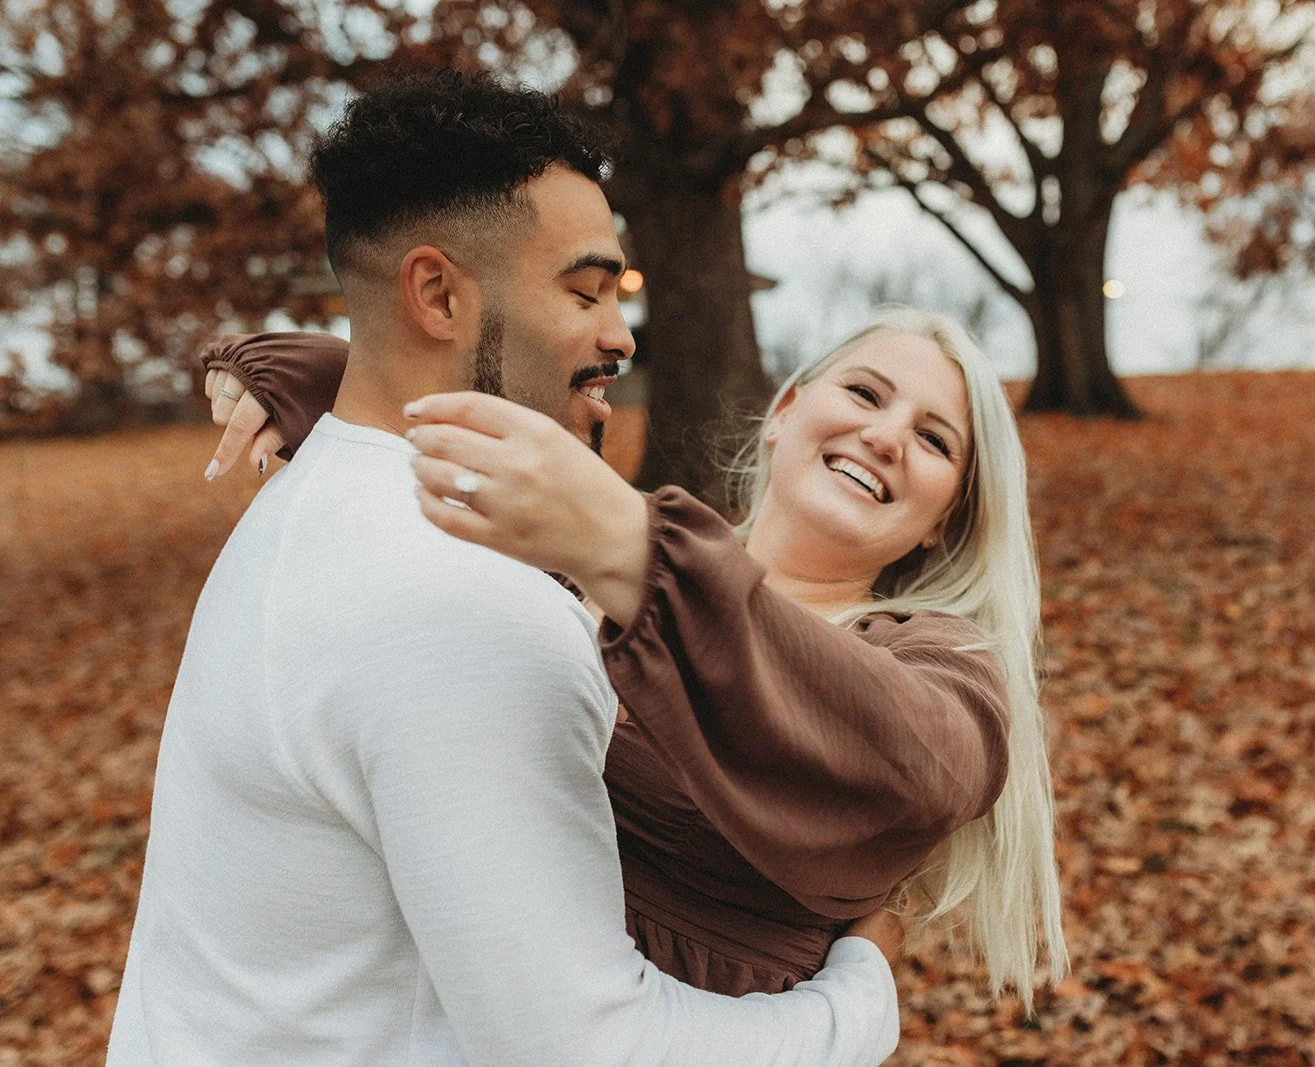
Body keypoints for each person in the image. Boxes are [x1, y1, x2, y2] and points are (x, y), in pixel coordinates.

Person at [109, 70, 906, 1066]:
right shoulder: (461, 604)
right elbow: (587, 1051)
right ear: (438, 293)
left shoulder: (316, 496)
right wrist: (863, 993)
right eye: (585, 290)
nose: (620, 333)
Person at [200, 305, 1070, 1008]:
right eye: (867, 393)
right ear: (785, 411)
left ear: (951, 514)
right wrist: (305, 370)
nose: (886, 435)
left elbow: (922, 765)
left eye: (934, 439)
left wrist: (635, 550)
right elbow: (445, 446)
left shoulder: (937, 654)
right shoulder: (603, 555)